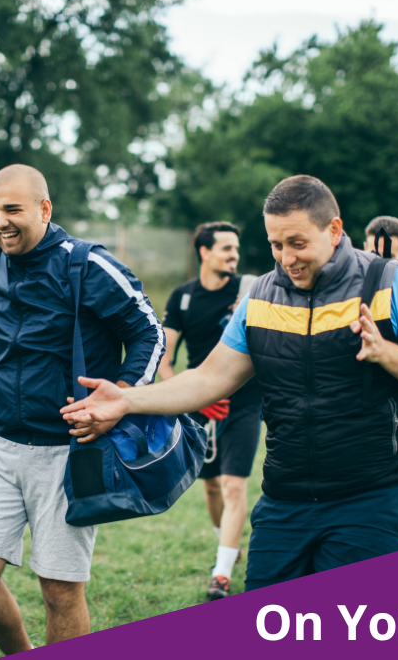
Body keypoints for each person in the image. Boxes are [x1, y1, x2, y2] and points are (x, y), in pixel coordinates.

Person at [62, 175, 398, 588]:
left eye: (297, 243)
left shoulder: (388, 281)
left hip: (371, 498)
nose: (287, 258)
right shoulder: (261, 296)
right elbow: (210, 377)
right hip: (285, 499)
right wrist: (128, 400)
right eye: (276, 245)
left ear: (334, 230)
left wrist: (386, 353)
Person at [0, 164, 164, 653]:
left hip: (68, 451)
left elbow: (149, 332)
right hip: (0, 446)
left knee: (60, 590)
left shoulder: (87, 265)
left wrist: (119, 398)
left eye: (12, 210)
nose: (0, 221)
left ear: (44, 209)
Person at [159, 222, 262, 600]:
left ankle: (221, 574)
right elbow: (165, 360)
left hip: (245, 403)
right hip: (200, 407)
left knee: (234, 485)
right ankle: (227, 545)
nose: (234, 255)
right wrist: (190, 398)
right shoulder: (182, 297)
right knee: (212, 486)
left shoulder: (251, 289)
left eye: (236, 248)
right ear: (204, 252)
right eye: (226, 248)